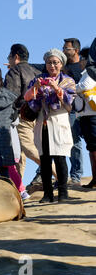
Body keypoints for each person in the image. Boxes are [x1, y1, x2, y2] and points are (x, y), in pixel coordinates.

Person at [24, 49, 77, 202]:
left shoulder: (68, 81)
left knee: (60, 158)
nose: (52, 65)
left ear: (61, 64)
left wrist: (56, 89)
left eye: (55, 62)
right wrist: (36, 88)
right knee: (45, 159)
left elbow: (70, 103)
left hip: (59, 122)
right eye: (49, 62)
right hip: (43, 122)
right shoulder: (37, 79)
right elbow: (27, 97)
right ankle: (47, 194)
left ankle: (63, 193)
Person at [4, 44, 44, 185]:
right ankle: (18, 188)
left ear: (16, 57)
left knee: (28, 150)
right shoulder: (35, 71)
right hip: (37, 114)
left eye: (9, 56)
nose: (8, 59)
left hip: (21, 115)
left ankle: (58, 174)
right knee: (19, 154)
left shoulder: (14, 71)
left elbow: (10, 96)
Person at [75, 38, 96, 188]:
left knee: (94, 147)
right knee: (91, 147)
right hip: (86, 114)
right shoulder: (85, 73)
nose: (80, 61)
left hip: (92, 114)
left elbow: (85, 85)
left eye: (82, 58)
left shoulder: (90, 72)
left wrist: (70, 86)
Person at [63, 38, 84, 185]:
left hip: (84, 110)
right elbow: (39, 67)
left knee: (75, 143)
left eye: (66, 49)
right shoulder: (61, 65)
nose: (63, 50)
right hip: (67, 110)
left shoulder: (85, 65)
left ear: (76, 51)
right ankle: (71, 176)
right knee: (67, 142)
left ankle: (76, 175)